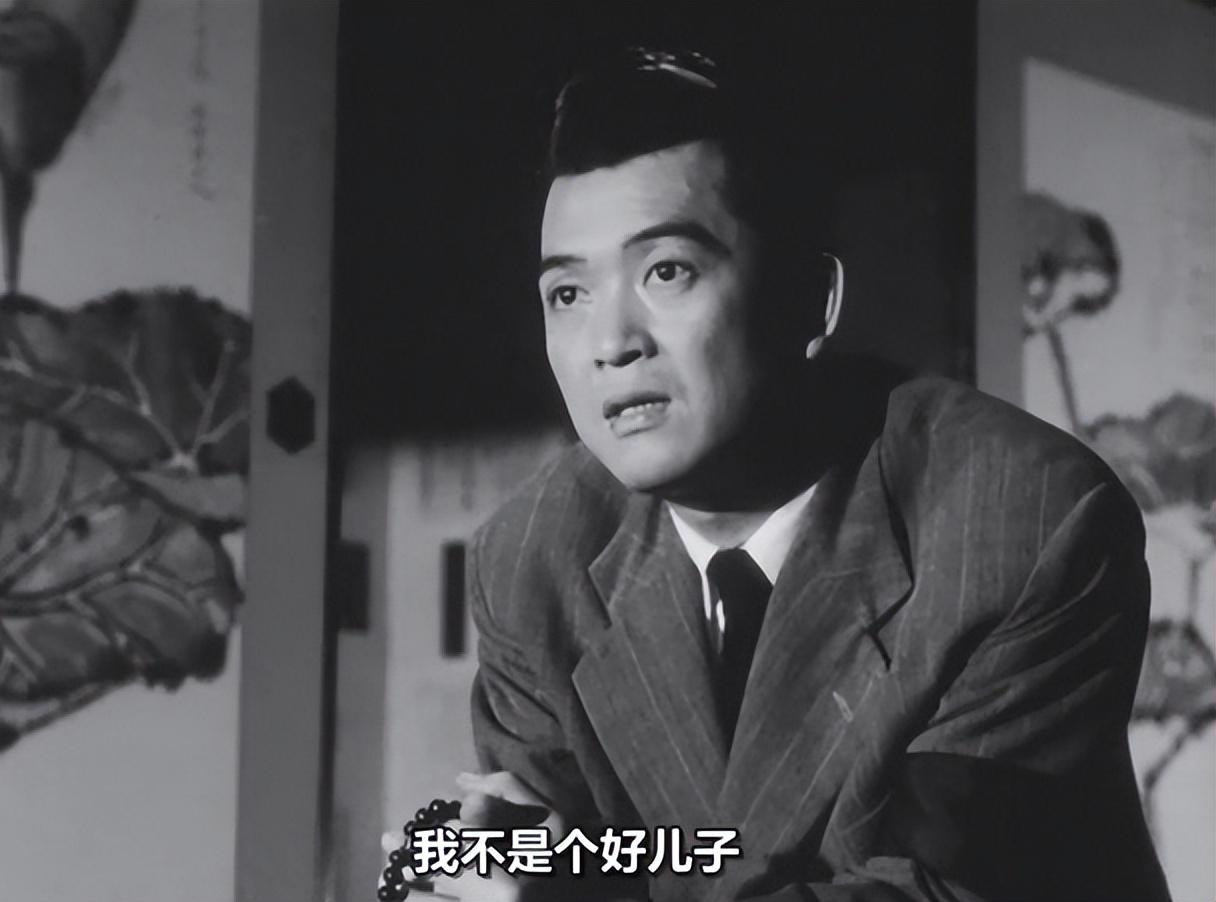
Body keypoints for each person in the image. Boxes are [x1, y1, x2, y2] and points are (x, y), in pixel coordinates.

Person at [401, 46, 1169, 902]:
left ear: (811, 298)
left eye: (666, 272)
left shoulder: (1021, 523)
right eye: (568, 295)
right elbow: (571, 857)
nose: (611, 344)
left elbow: (930, 891)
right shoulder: (533, 560)